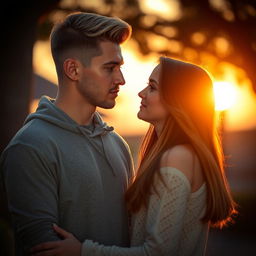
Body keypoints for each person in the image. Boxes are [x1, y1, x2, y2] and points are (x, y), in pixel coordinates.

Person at [30, 57, 237, 256]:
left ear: (178, 101)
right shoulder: (182, 154)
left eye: (153, 87)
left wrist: (83, 251)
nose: (141, 93)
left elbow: (158, 253)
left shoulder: (177, 157)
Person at [0, 12, 134, 255]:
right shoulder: (30, 146)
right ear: (73, 69)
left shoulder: (118, 144)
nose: (121, 79)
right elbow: (42, 249)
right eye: (110, 68)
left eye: (120, 67)